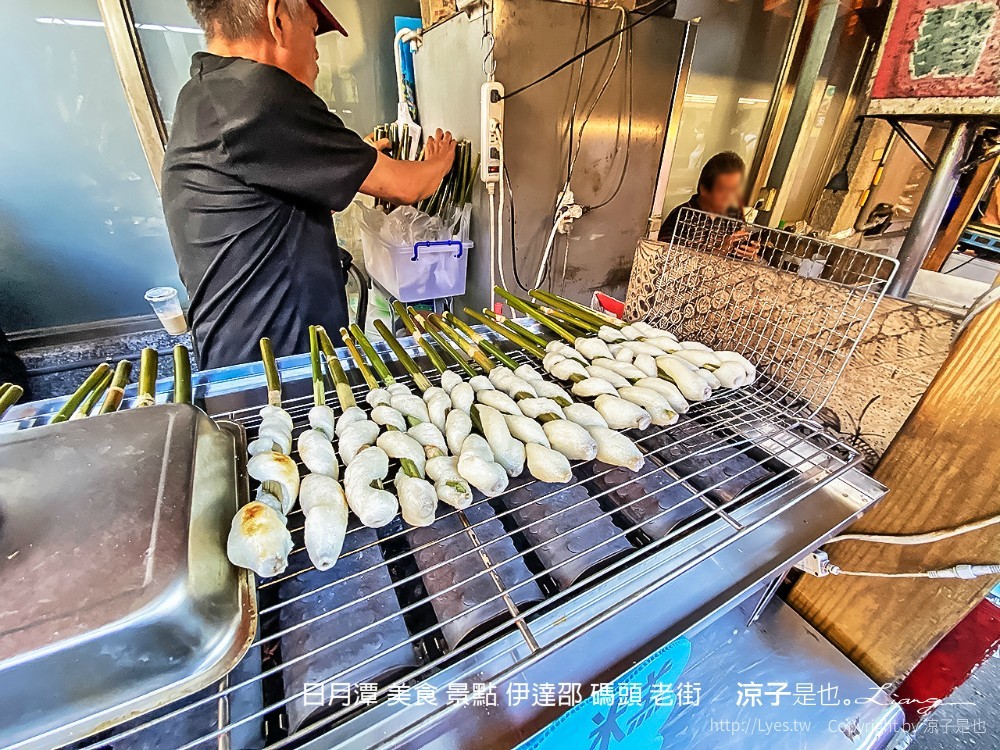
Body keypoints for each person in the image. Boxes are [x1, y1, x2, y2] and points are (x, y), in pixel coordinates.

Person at [163, 0, 456, 370]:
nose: (317, 51)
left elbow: (272, 197)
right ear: (278, 17)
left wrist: (343, 161)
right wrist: (441, 161)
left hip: (238, 351)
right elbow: (408, 187)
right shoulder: (260, 94)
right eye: (313, 30)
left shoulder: (207, 92)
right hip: (277, 362)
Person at [657, 151, 756, 259]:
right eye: (724, 190)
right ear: (704, 189)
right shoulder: (682, 217)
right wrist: (720, 251)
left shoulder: (735, 216)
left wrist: (751, 255)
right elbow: (665, 260)